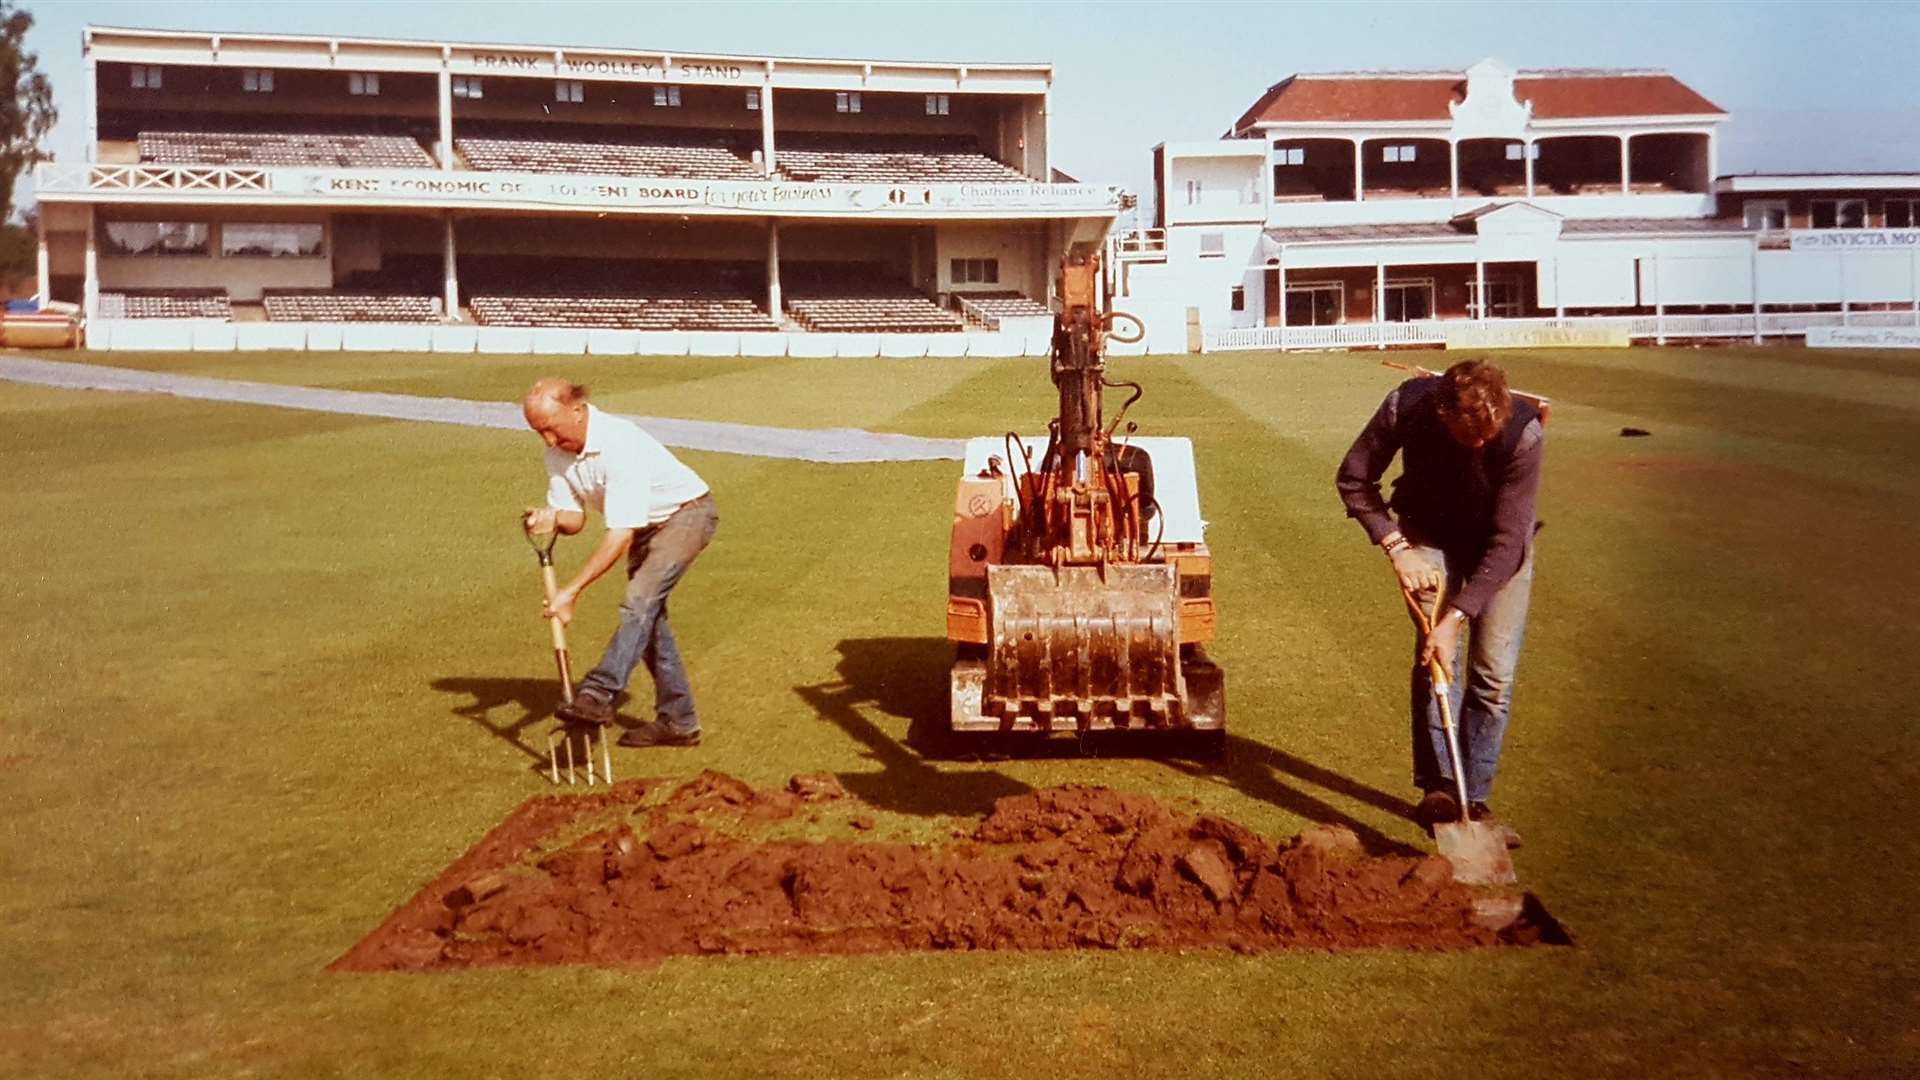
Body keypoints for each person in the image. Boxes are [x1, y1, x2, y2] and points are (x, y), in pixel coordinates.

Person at [1335, 359, 1543, 846]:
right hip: (1427, 533)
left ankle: (1475, 795)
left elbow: (1509, 540)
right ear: (1442, 412)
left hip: (1498, 548)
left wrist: (1457, 615)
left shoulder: (1524, 434)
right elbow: (1354, 479)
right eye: (1466, 438)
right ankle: (1440, 789)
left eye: (1486, 440)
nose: (1479, 448)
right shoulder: (1405, 407)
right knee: (1436, 663)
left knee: (1493, 674)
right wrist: (1395, 546)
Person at [521, 377, 719, 748]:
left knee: (639, 602)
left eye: (551, 429)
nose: (548, 441)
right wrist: (551, 518)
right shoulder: (557, 455)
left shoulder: (619, 444)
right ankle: (679, 722)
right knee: (649, 625)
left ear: (577, 410)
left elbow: (619, 535)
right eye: (538, 432)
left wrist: (572, 591)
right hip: (646, 527)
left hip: (687, 515)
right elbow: (573, 519)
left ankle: (596, 694)